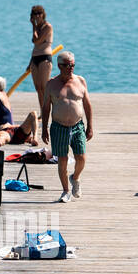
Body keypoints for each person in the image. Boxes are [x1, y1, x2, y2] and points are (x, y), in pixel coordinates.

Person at [40, 51, 93, 203]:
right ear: (59, 66)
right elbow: (45, 108)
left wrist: (90, 127)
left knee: (81, 158)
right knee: (62, 161)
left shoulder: (80, 81)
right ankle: (65, 191)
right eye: (67, 65)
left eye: (73, 65)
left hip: (77, 126)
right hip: (59, 126)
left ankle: (75, 178)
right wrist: (44, 128)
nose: (71, 68)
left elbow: (87, 105)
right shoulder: (51, 84)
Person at [0, 76, 39, 145]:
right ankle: (34, 138)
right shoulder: (3, 94)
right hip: (15, 130)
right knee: (33, 114)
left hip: (4, 131)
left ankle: (34, 139)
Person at [28, 5, 54, 107]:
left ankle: (49, 110)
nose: (38, 16)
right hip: (34, 58)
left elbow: (37, 41)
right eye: (35, 14)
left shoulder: (47, 27)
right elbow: (35, 45)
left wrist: (33, 26)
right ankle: (43, 111)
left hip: (44, 58)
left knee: (44, 87)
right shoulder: (37, 27)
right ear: (32, 16)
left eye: (40, 13)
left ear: (43, 14)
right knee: (38, 88)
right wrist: (30, 63)